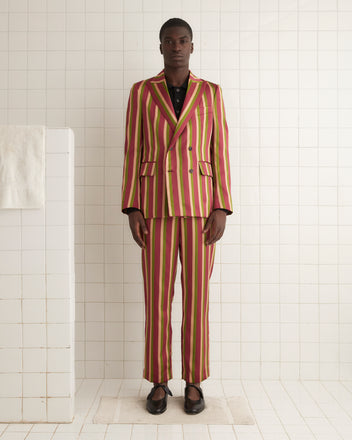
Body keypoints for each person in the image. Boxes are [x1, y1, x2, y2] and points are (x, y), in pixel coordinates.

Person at [121, 17, 233, 415]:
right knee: (157, 300)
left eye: (183, 40)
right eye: (169, 41)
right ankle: (157, 381)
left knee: (197, 301)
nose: (176, 47)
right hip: (155, 209)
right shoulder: (141, 92)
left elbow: (219, 150)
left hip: (201, 210)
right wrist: (132, 205)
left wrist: (221, 205)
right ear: (160, 47)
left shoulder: (211, 93)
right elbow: (133, 150)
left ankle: (194, 381)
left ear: (192, 45)